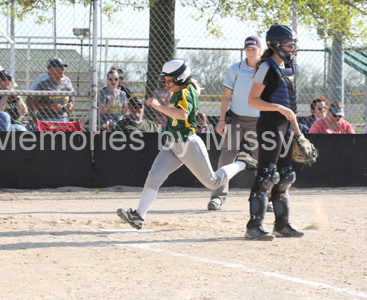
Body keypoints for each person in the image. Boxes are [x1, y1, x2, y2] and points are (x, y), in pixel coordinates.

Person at [116, 59, 258, 230]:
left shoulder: (185, 92)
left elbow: (182, 114)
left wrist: (157, 106)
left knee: (212, 182)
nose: (166, 83)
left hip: (188, 144)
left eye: (170, 79)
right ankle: (139, 216)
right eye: (166, 79)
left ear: (181, 78)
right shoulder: (181, 90)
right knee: (154, 176)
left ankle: (242, 162)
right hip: (172, 143)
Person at [244, 24, 305, 241]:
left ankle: (282, 225)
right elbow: (253, 101)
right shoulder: (266, 67)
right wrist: (278, 108)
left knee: (286, 175)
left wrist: (299, 134)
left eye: (293, 44)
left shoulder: (292, 68)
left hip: (286, 127)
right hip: (270, 125)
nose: (292, 48)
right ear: (277, 44)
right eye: (289, 44)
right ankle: (254, 226)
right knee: (267, 175)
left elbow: (291, 109)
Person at [208, 36, 262, 211]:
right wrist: (221, 120)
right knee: (226, 156)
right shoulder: (235, 69)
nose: (250, 52)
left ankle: (264, 197)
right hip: (236, 117)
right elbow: (226, 97)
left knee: (262, 157)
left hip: (258, 120)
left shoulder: (266, 70)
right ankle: (217, 197)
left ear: (260, 50)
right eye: (247, 49)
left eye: (253, 49)